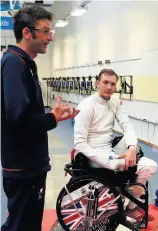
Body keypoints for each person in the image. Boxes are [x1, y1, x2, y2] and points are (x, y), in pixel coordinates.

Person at [1, 6, 79, 231]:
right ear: (27, 32)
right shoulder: (14, 63)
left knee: (27, 224)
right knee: (21, 226)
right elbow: (19, 119)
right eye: (45, 31)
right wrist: (52, 118)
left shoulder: (25, 63)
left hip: (30, 165)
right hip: (23, 167)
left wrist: (53, 117)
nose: (50, 37)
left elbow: (25, 115)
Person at [74, 68, 158, 222]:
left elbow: (127, 125)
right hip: (93, 155)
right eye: (105, 82)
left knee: (143, 157)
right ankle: (126, 201)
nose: (109, 87)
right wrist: (108, 163)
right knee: (147, 166)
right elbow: (79, 144)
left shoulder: (114, 101)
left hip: (109, 150)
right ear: (97, 83)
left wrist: (132, 149)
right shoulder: (86, 106)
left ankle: (130, 207)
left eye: (113, 84)